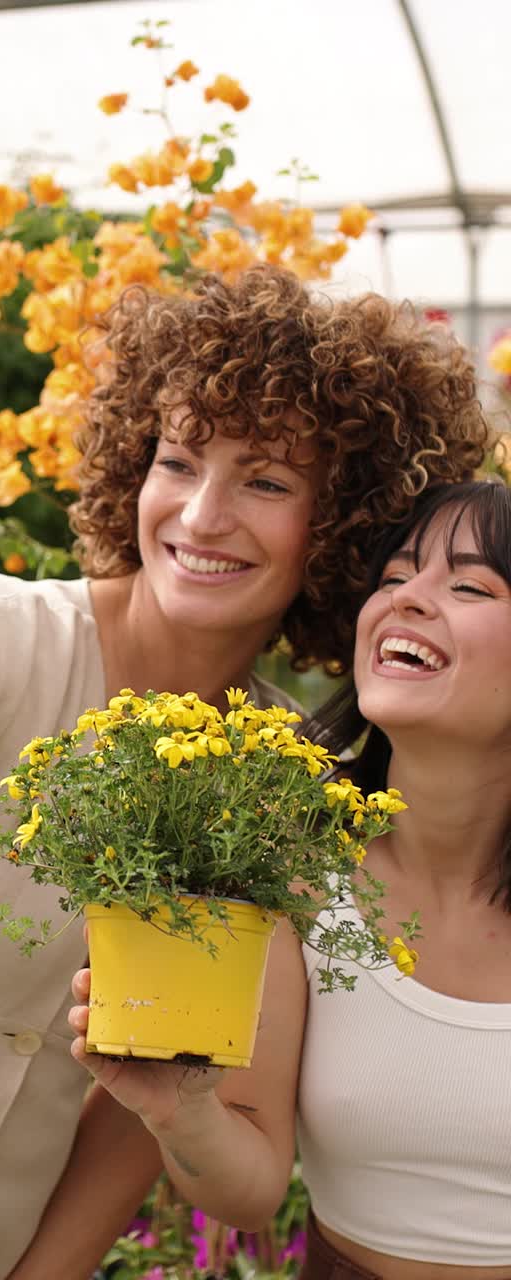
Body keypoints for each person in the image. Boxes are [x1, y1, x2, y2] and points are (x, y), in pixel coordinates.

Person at [0, 264, 489, 1280]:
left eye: (266, 480)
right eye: (177, 461)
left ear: (340, 525)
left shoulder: (281, 783)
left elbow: (153, 1105)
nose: (203, 516)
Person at [68, 478, 511, 1280]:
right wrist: (184, 1111)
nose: (406, 600)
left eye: (470, 585)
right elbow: (247, 1192)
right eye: (392, 577)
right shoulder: (292, 861)